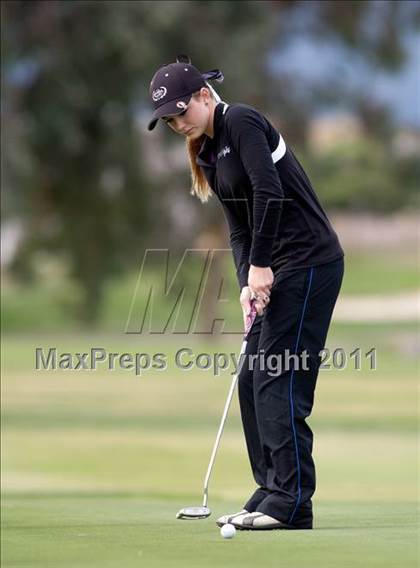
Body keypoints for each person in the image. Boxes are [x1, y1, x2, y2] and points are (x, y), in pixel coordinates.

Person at [147, 55, 345, 531]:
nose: (178, 123)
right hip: (275, 271)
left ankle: (294, 500)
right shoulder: (207, 151)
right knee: (252, 379)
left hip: (310, 263)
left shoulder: (241, 121)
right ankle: (273, 488)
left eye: (181, 112)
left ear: (202, 95)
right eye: (169, 119)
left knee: (279, 377)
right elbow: (238, 227)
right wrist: (245, 282)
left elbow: (269, 192)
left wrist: (261, 267)